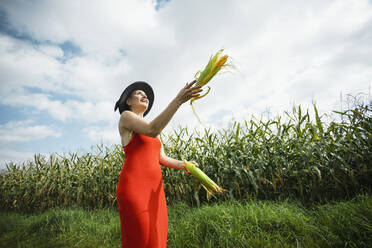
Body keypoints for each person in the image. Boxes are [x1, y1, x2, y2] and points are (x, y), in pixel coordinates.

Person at [114, 80, 202, 248]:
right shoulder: (126, 117)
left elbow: (161, 158)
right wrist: (178, 100)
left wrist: (185, 165)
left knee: (156, 238)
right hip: (134, 188)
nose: (144, 95)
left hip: (155, 190)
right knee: (140, 238)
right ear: (128, 101)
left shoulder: (151, 128)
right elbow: (152, 129)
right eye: (139, 93)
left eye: (145, 94)